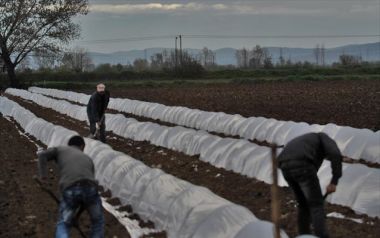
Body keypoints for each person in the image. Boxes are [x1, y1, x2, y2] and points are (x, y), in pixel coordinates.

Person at [277, 132, 342, 238]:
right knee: (316, 205)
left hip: (285, 166)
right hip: (302, 164)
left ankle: (304, 235)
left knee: (303, 205)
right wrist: (334, 182)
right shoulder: (323, 138)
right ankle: (322, 236)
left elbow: (312, 168)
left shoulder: (307, 141)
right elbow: (336, 155)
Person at [38, 135, 104, 238]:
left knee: (63, 223)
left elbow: (42, 155)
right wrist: (77, 213)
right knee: (97, 222)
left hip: (71, 188)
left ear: (69, 145)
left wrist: (43, 178)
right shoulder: (87, 158)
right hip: (90, 189)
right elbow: (86, 191)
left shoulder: (60, 149)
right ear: (82, 146)